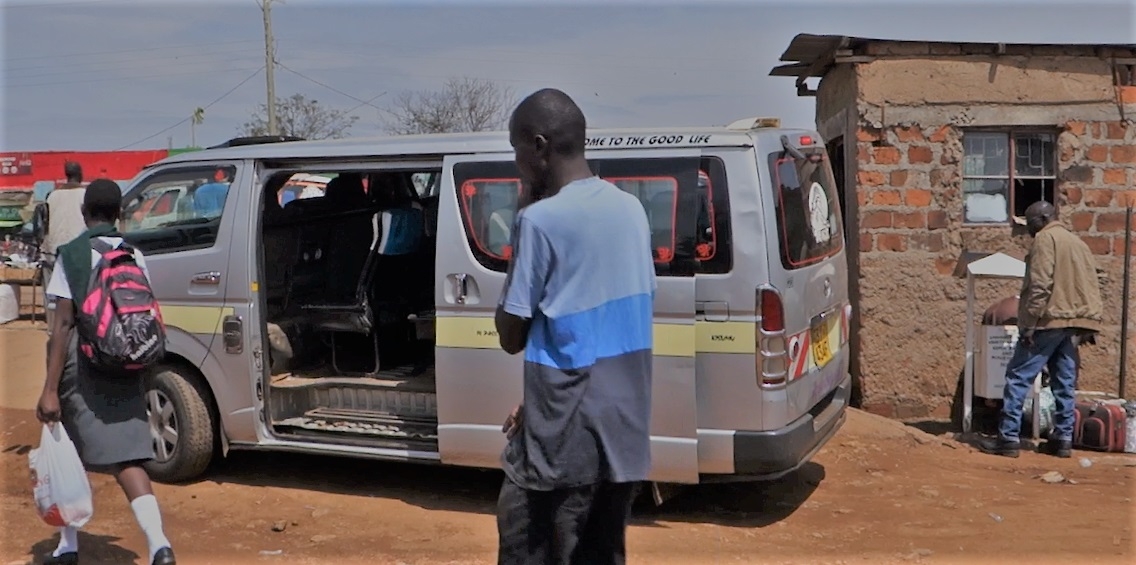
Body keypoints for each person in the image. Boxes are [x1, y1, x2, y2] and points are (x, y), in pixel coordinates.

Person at [494, 88, 656, 565]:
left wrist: (524, 210)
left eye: (516, 147)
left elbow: (510, 334)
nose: (516, 161)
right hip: (623, 430)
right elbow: (604, 324)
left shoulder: (540, 220)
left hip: (563, 438)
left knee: (530, 548)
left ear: (539, 146)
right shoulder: (631, 210)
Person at [36, 179, 176, 565]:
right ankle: (159, 545)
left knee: (70, 452)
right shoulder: (134, 253)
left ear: (85, 213)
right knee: (128, 458)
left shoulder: (74, 254)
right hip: (127, 363)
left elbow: (62, 325)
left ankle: (68, 547)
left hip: (82, 365)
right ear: (120, 214)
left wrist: (50, 389)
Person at [979, 201, 1103, 459]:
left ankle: (1008, 438)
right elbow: (1091, 284)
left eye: (1031, 222)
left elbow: (1040, 285)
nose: (1028, 229)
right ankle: (1063, 439)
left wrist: (1029, 325)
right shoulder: (1078, 243)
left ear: (1044, 218)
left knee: (1017, 376)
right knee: (1064, 383)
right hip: (1074, 324)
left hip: (1047, 321)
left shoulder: (1046, 240)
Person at [40, 161, 87, 336]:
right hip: (78, 253)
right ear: (80, 174)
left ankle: (53, 329)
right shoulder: (85, 195)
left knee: (53, 294)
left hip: (53, 251)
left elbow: (45, 224)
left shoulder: (52, 196)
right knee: (79, 291)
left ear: (66, 175)